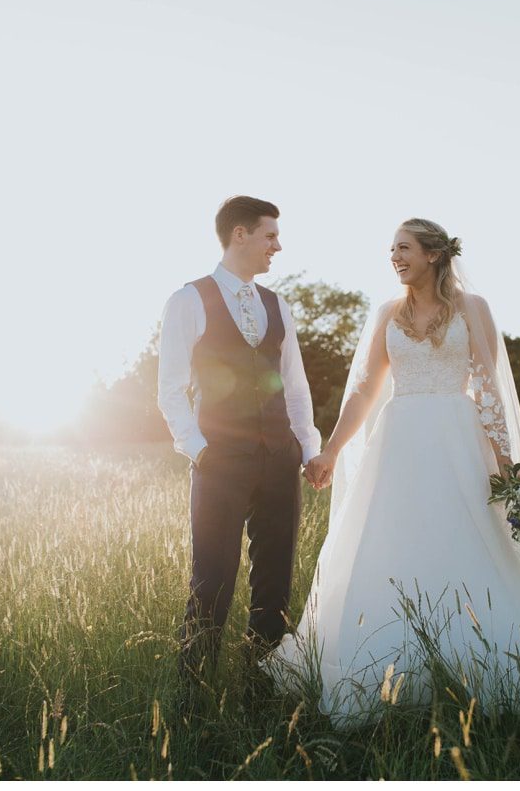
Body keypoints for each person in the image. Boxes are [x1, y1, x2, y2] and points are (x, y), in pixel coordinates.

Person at [260, 218, 520, 741]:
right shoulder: (386, 314)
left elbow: (487, 386)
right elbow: (364, 392)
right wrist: (331, 450)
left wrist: (514, 469)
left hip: (460, 445)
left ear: (435, 254)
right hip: (397, 447)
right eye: (392, 249)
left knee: (467, 544)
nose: (395, 257)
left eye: (405, 248)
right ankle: (383, 673)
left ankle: (483, 672)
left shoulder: (472, 308)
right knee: (391, 549)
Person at [157, 195, 326, 696]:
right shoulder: (188, 299)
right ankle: (194, 696)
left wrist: (308, 447)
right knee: (212, 581)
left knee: (274, 582)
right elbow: (170, 389)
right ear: (240, 235)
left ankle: (262, 688)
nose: (278, 245)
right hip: (219, 462)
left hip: (280, 458)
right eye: (270, 235)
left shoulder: (278, 304)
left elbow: (294, 386)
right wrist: (199, 449)